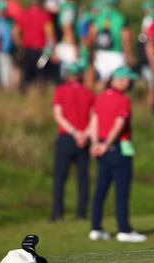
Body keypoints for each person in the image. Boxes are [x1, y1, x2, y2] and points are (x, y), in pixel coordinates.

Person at [89, 66, 146, 243]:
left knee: (100, 189)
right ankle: (124, 230)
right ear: (120, 79)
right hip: (119, 149)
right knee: (121, 191)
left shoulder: (100, 97)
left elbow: (94, 121)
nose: (129, 82)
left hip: (102, 149)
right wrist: (106, 144)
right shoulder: (123, 100)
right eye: (128, 79)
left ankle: (95, 228)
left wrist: (95, 144)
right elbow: (119, 124)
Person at [51, 64, 94, 221]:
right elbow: (93, 118)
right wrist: (84, 134)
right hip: (84, 138)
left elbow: (58, 115)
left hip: (67, 137)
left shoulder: (60, 90)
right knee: (82, 177)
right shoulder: (88, 93)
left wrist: (74, 132)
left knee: (60, 177)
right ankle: (81, 213)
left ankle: (57, 213)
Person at [13, 0, 55, 92]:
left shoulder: (23, 14)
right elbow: (49, 34)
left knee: (26, 71)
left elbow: (15, 32)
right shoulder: (45, 15)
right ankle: (40, 91)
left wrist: (20, 44)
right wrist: (51, 48)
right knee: (41, 71)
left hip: (27, 49)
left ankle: (23, 91)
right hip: (41, 50)